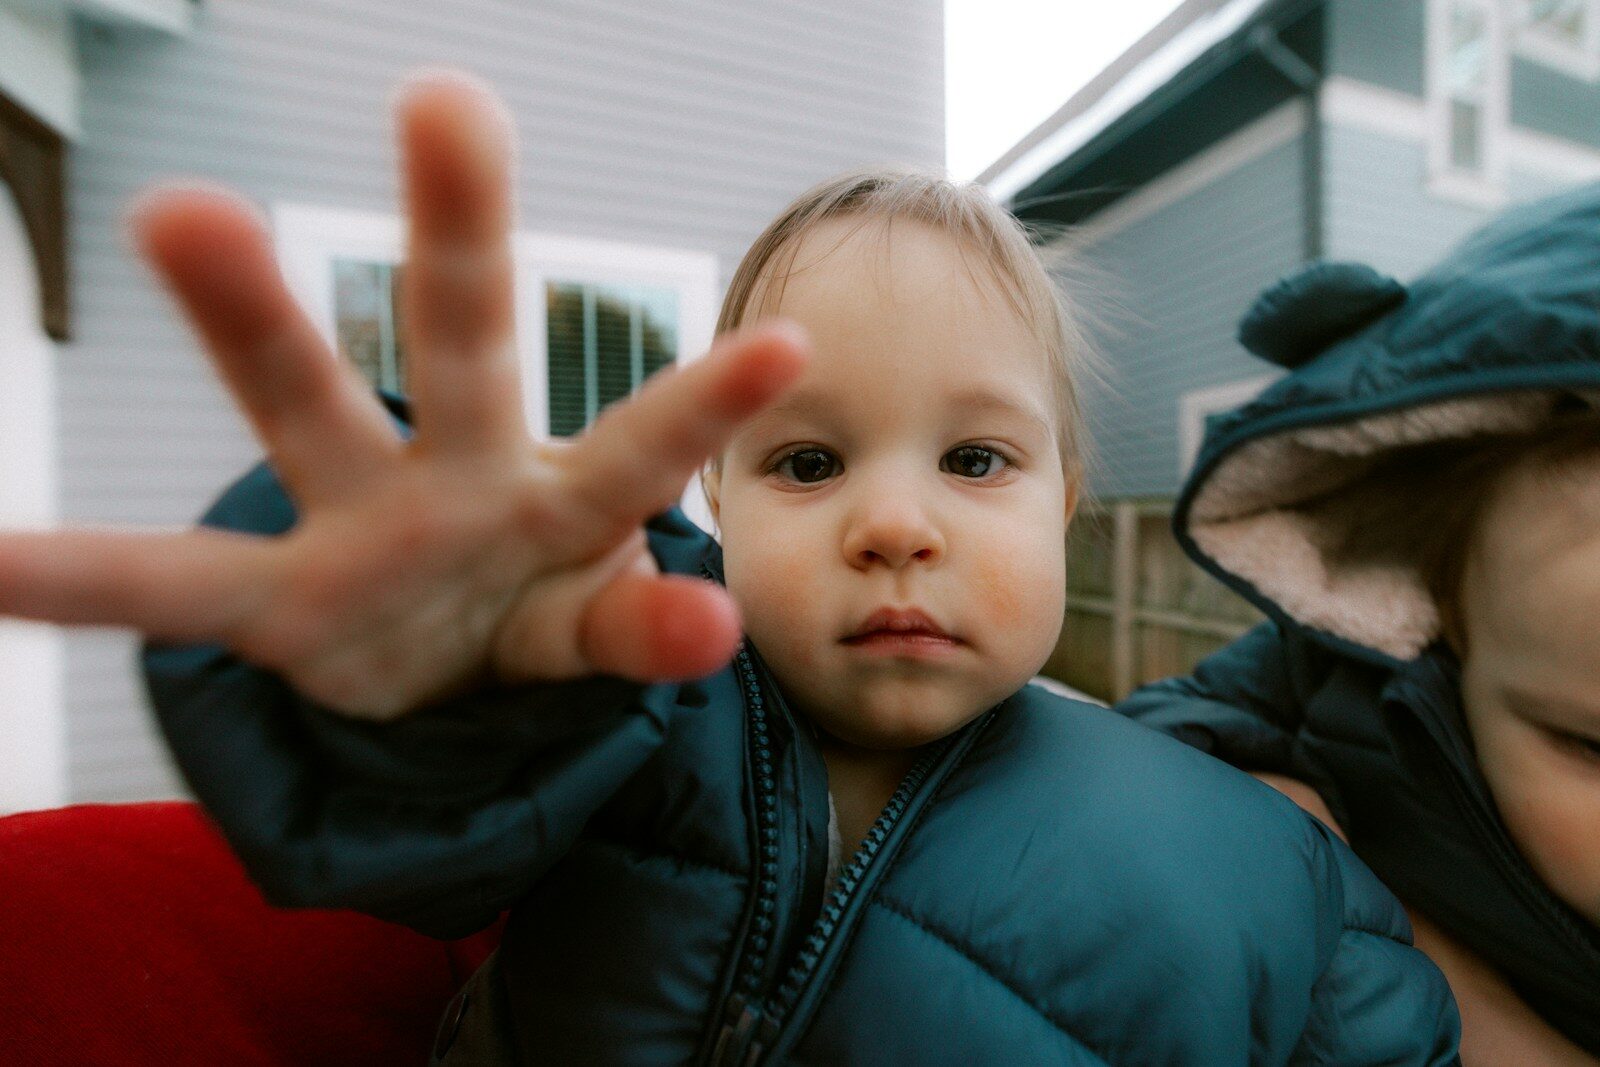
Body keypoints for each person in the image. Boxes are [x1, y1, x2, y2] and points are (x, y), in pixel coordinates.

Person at [0, 70, 1460, 1064]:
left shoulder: (1269, 866)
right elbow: (435, 797)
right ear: (718, 496)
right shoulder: (635, 696)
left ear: (1070, 501)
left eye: (974, 459)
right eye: (809, 463)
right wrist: (435, 637)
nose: (895, 524)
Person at [1117, 184, 1600, 1065]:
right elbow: (1152, 749)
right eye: (1592, 747)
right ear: (1433, 612)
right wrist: (1297, 844)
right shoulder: (1342, 686)